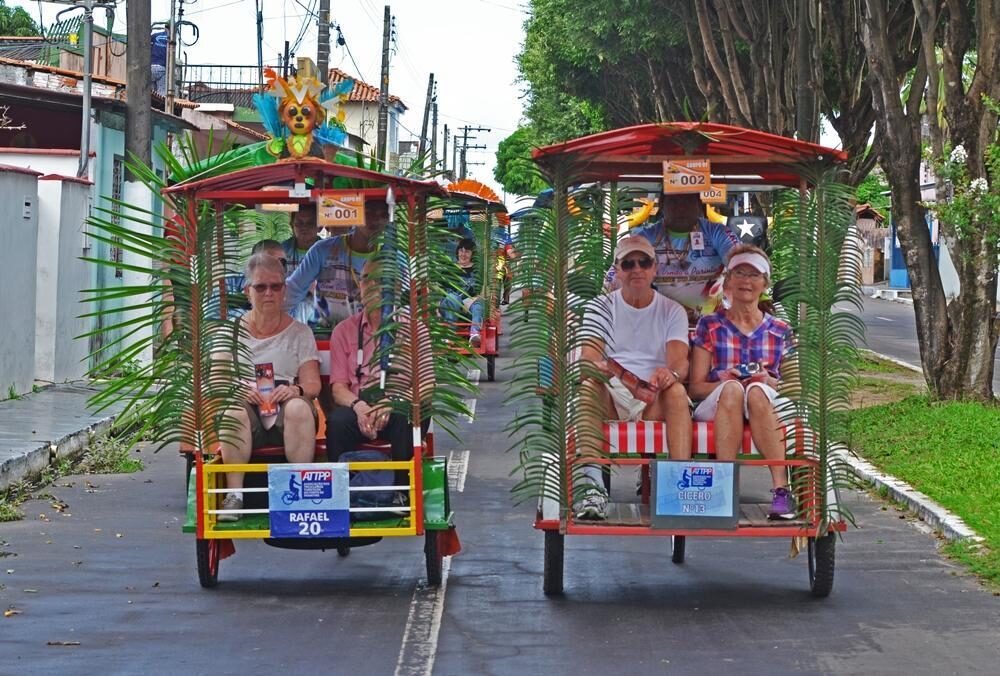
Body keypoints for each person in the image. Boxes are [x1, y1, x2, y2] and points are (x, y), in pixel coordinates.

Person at [576, 235, 693, 520]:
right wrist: (599, 368)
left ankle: (680, 486)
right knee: (589, 386)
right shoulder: (599, 307)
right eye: (628, 264)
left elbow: (679, 361)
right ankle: (592, 486)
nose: (636, 269)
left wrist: (669, 374)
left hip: (654, 395)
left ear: (654, 269)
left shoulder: (672, 310)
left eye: (644, 262)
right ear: (617, 270)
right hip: (613, 393)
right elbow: (588, 357)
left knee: (677, 391)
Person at [687, 244, 796, 520]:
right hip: (719, 401)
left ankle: (781, 490)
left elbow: (796, 388)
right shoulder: (710, 325)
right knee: (734, 389)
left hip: (764, 402)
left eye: (754, 275)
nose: (746, 281)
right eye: (740, 273)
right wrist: (724, 379)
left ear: (765, 283)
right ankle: (725, 488)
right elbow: (696, 388)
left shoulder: (781, 330)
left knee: (757, 391)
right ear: (728, 281)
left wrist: (769, 380)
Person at [216, 253, 322, 521]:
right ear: (248, 291)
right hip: (248, 408)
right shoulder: (230, 332)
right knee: (233, 413)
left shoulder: (300, 332)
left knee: (299, 408)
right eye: (260, 287)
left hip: (285, 409)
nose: (268, 293)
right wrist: (236, 389)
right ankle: (235, 496)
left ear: (284, 290)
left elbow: (312, 383)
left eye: (275, 286)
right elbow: (216, 380)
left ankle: (300, 491)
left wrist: (295, 391)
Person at [325, 259, 434, 492]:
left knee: (406, 418)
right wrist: (359, 407)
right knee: (337, 423)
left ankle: (403, 494)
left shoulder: (413, 328)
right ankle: (346, 494)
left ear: (396, 287)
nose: (372, 286)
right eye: (367, 280)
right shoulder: (344, 330)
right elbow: (338, 388)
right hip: (361, 403)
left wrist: (393, 402)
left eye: (381, 281)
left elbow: (426, 384)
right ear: (360, 285)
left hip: (400, 403)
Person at [607, 192, 738, 318]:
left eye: (687, 201)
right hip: (662, 321)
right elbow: (615, 275)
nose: (681, 208)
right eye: (674, 201)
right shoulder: (646, 237)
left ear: (698, 204)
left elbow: (740, 261)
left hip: (711, 323)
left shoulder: (718, 233)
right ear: (662, 204)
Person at [285, 199, 389, 331]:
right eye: (368, 212)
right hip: (327, 333)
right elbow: (293, 290)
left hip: (374, 334)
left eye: (383, 214)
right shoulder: (322, 250)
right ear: (354, 213)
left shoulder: (393, 257)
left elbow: (403, 302)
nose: (376, 219)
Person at [441, 237, 487, 348]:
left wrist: (475, 299)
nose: (463, 254)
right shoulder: (449, 268)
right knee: (453, 297)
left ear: (472, 254)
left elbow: (482, 292)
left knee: (479, 304)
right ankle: (450, 334)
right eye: (461, 251)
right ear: (457, 252)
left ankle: (474, 334)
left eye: (467, 251)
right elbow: (440, 289)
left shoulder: (477, 271)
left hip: (469, 304)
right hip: (449, 304)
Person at [281, 207, 322, 274]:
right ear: (292, 226)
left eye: (310, 223)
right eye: (299, 223)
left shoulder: (328, 251)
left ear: (320, 227)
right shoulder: (282, 250)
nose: (304, 227)